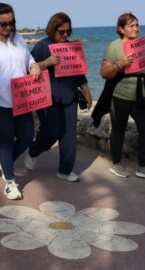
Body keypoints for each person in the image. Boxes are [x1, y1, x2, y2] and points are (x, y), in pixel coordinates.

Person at [0, 3, 40, 200]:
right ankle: (10, 183)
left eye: (11, 23)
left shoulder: (18, 38)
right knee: (6, 139)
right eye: (3, 24)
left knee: (27, 137)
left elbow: (28, 58)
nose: (8, 27)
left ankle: (4, 162)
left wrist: (34, 65)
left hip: (22, 99)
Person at [24, 12, 92, 182]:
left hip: (69, 97)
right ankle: (33, 151)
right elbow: (28, 68)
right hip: (47, 98)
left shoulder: (71, 47)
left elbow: (79, 72)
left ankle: (65, 171)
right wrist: (46, 63)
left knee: (69, 135)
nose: (65, 35)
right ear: (52, 29)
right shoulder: (42, 46)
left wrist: (87, 91)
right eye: (61, 31)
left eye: (68, 31)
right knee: (51, 132)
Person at [92, 12, 145, 181]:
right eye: (131, 25)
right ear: (121, 29)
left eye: (137, 25)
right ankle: (116, 163)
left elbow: (142, 68)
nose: (136, 28)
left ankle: (143, 167)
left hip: (141, 93)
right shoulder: (114, 47)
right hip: (119, 95)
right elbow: (104, 73)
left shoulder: (139, 44)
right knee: (118, 130)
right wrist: (119, 64)